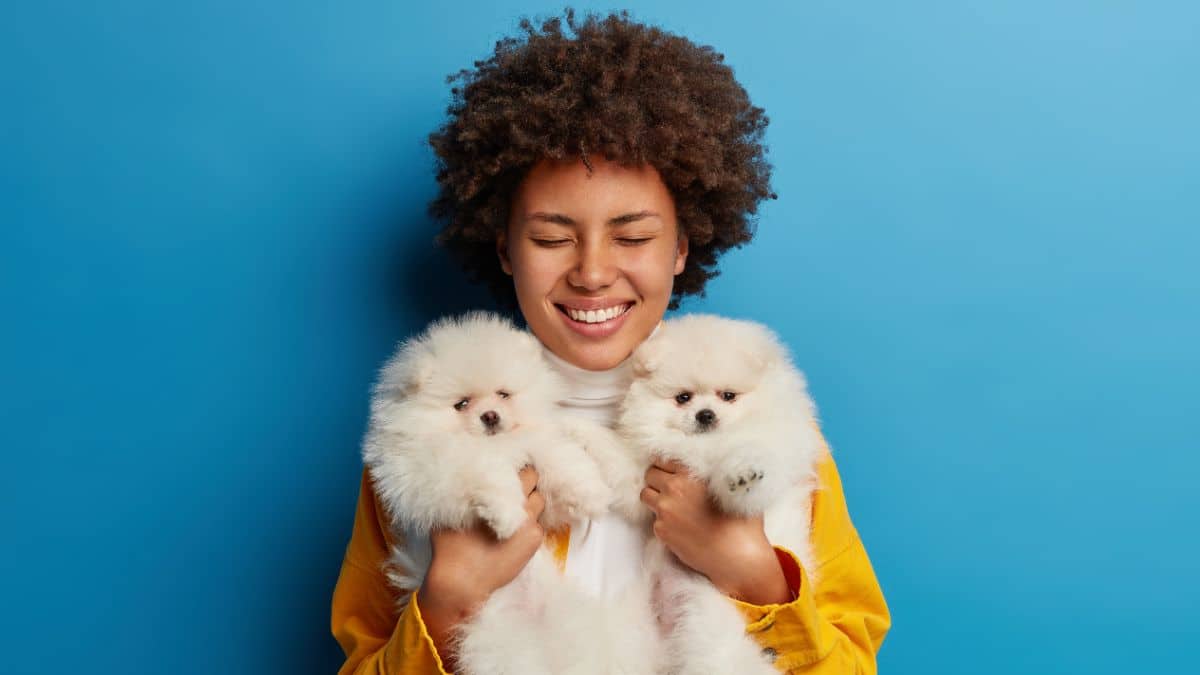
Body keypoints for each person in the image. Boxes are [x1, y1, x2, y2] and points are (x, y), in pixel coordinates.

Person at [331, 8, 890, 674]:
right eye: (551, 237)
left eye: (633, 236)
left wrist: (754, 573)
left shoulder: (765, 426)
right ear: (505, 249)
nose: (593, 272)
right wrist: (448, 598)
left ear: (681, 247)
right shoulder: (429, 436)